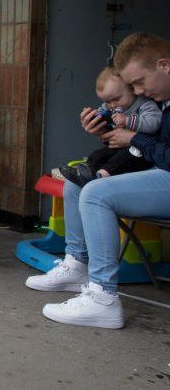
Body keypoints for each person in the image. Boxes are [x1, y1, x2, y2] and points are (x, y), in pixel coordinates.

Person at [26, 31, 170, 329]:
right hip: (161, 172)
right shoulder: (162, 100)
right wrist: (108, 136)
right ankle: (77, 266)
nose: (138, 91)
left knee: (96, 193)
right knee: (79, 183)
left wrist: (135, 138)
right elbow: (151, 149)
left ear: (164, 65)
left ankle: (103, 297)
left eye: (139, 82)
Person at [51, 66, 159, 186]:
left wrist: (128, 120)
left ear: (132, 89)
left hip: (140, 152)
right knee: (99, 154)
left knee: (122, 158)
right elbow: (103, 114)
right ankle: (86, 170)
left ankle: (101, 175)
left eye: (116, 99)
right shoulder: (111, 106)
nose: (112, 105)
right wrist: (95, 118)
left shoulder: (144, 104)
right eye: (107, 101)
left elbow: (154, 123)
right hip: (119, 146)